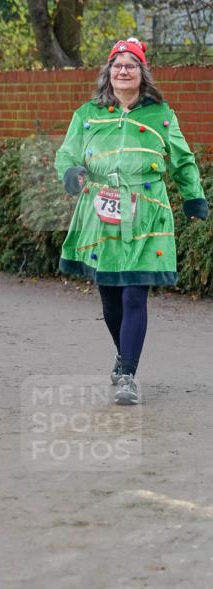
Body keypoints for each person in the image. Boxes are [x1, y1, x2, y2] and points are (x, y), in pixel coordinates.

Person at [56, 37, 209, 405]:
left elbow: (183, 159)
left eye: (131, 64)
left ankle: (127, 374)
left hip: (147, 213)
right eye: (117, 64)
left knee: (135, 294)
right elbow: (66, 153)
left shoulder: (161, 114)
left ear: (143, 73)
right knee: (111, 301)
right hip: (100, 212)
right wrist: (72, 171)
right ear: (108, 72)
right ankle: (124, 356)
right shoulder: (87, 114)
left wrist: (193, 197)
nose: (123, 70)